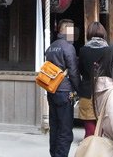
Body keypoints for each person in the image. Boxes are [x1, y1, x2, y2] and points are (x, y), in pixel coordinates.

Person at [44, 19, 80, 157]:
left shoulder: (51, 47)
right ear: (63, 30)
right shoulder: (68, 47)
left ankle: (54, 154)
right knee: (65, 130)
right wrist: (79, 89)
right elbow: (73, 71)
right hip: (64, 91)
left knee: (55, 127)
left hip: (51, 89)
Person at [78, 21, 108, 138]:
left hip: (87, 90)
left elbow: (80, 70)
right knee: (103, 122)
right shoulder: (109, 50)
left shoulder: (83, 50)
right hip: (104, 90)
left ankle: (90, 147)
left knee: (89, 124)